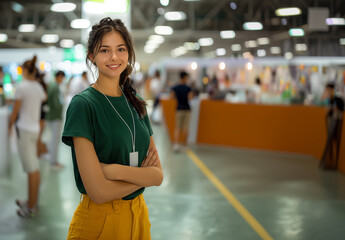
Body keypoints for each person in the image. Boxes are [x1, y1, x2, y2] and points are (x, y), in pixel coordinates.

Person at [62, 17, 163, 239]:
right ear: (92, 56)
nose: (114, 57)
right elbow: (98, 192)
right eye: (105, 50)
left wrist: (111, 170)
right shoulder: (83, 105)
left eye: (120, 49)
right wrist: (142, 176)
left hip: (138, 216)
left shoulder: (135, 101)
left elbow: (158, 176)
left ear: (128, 53)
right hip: (100, 222)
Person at [8, 55, 46, 218]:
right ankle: (31, 201)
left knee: (32, 170)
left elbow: (16, 111)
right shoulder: (38, 87)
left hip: (24, 131)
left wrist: (9, 127)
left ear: (24, 70)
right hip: (34, 130)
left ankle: (31, 207)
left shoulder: (22, 87)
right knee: (34, 168)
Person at [319, 82, 344, 169]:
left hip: (336, 121)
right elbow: (322, 99)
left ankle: (326, 161)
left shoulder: (338, 99)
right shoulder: (331, 99)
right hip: (331, 121)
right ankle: (325, 161)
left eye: (328, 89)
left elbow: (340, 109)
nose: (327, 91)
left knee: (331, 141)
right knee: (329, 142)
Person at [46, 71, 65, 170]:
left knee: (54, 139)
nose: (63, 80)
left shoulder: (52, 86)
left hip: (52, 116)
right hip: (55, 116)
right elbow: (55, 102)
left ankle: (53, 161)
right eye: (62, 77)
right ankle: (54, 162)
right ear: (59, 77)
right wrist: (60, 109)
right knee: (55, 140)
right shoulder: (54, 87)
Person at [171, 71, 193, 152]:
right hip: (187, 109)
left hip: (179, 109)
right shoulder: (188, 88)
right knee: (185, 128)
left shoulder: (175, 88)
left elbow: (172, 96)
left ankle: (176, 145)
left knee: (177, 128)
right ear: (185, 77)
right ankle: (184, 145)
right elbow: (190, 98)